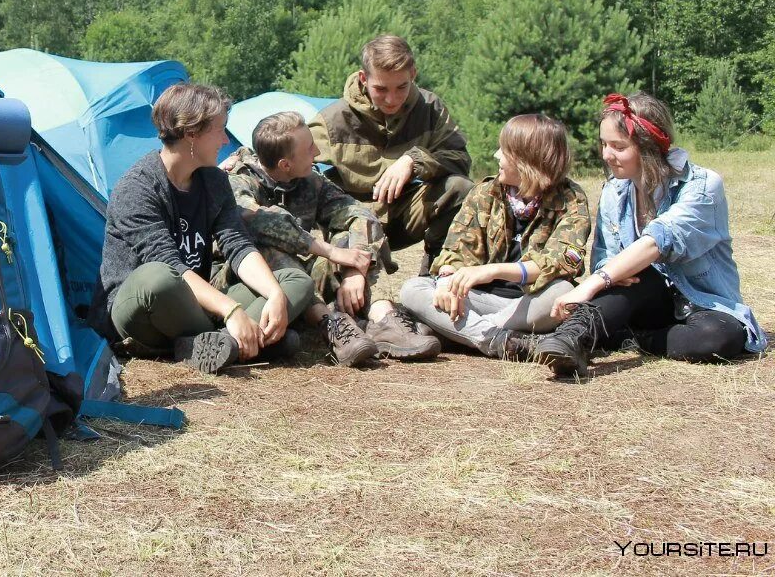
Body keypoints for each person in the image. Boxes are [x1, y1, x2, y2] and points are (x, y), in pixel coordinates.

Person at [536, 92, 769, 378]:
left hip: (701, 305)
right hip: (643, 298)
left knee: (719, 338)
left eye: (618, 146)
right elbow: (605, 259)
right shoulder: (614, 191)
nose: (606, 155)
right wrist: (609, 272)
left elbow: (660, 240)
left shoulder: (703, 185)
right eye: (604, 144)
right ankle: (571, 337)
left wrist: (596, 281)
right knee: (637, 274)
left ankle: (630, 340)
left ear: (648, 147)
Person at [88, 83, 316, 374]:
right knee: (159, 277)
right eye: (219, 130)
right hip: (140, 307)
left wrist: (274, 295)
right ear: (191, 133)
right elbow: (169, 265)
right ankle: (241, 339)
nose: (225, 140)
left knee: (296, 282)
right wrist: (231, 310)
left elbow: (238, 246)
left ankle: (217, 344)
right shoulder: (137, 187)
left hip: (195, 303)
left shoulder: (214, 181)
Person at [216, 112, 439, 365]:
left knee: (344, 236)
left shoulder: (309, 180)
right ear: (285, 164)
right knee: (268, 248)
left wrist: (354, 271)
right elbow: (258, 220)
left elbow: (357, 214)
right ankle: (330, 325)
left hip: (300, 284)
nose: (318, 152)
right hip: (245, 283)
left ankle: (379, 320)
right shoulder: (239, 179)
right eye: (309, 147)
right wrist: (327, 251)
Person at [399, 114, 590, 359]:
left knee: (563, 292)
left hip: (527, 303)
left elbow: (561, 263)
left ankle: (458, 332)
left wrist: (493, 270)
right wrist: (447, 283)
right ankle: (499, 340)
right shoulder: (485, 193)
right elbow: (456, 250)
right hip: (477, 298)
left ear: (528, 160)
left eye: (505, 151)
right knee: (413, 288)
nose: (496, 156)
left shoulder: (571, 199)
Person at [308, 35, 473, 276]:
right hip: (352, 222)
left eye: (401, 87)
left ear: (413, 75)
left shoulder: (430, 108)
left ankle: (436, 275)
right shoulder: (331, 121)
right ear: (364, 79)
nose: (391, 99)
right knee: (349, 293)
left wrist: (412, 160)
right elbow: (294, 170)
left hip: (404, 214)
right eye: (381, 89)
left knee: (459, 187)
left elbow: (460, 157)